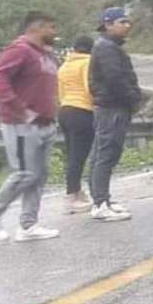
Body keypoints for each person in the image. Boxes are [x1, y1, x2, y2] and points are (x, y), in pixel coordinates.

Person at [0, 12, 61, 242]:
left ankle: (28, 225)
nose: (55, 32)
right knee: (25, 173)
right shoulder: (20, 50)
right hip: (21, 124)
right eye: (51, 27)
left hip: (45, 124)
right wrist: (20, 109)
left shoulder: (45, 55)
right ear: (37, 28)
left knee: (39, 176)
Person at [88, 7, 141, 222]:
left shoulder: (107, 46)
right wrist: (133, 99)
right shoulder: (107, 48)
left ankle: (101, 199)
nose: (127, 25)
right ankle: (101, 202)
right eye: (122, 22)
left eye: (128, 21)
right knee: (106, 153)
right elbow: (115, 79)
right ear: (108, 24)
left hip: (110, 106)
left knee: (102, 152)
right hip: (113, 107)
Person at [58, 35, 96, 214]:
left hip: (65, 110)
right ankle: (71, 196)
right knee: (79, 156)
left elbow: (61, 91)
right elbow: (89, 87)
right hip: (82, 111)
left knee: (71, 154)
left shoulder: (65, 64)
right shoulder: (87, 62)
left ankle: (77, 191)